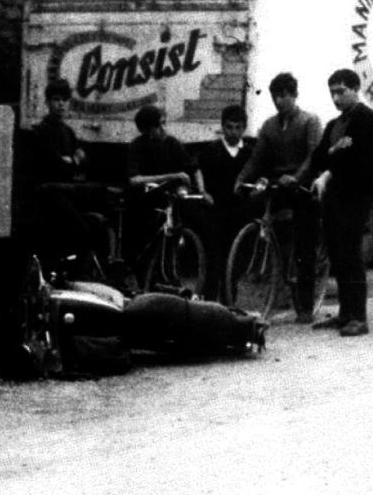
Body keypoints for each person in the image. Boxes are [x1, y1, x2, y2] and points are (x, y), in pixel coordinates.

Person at [301, 69, 373, 337]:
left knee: (352, 254)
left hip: (356, 196)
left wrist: (332, 160)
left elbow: (360, 159)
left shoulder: (369, 120)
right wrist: (336, 150)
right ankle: (345, 312)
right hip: (335, 197)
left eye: (341, 91)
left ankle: (358, 317)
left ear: (355, 89)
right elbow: (319, 157)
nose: (336, 98)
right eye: (332, 92)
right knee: (338, 254)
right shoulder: (335, 125)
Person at [235, 72, 323, 323]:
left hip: (301, 188)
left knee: (305, 244)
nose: (280, 100)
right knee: (251, 208)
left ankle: (305, 307)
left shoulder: (309, 121)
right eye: (276, 96)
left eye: (285, 95)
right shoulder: (269, 126)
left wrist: (297, 177)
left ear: (295, 95)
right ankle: (246, 270)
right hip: (277, 186)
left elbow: (313, 156)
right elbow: (257, 159)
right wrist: (241, 179)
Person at [28, 78, 105, 277]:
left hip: (67, 192)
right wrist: (70, 161)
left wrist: (72, 160)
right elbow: (52, 162)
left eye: (64, 100)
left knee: (99, 223)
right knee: (79, 229)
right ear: (47, 102)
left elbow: (80, 160)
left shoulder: (68, 132)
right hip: (47, 195)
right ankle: (70, 271)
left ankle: (88, 272)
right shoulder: (39, 131)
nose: (61, 104)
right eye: (56, 99)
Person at [123, 104, 205, 267]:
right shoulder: (137, 146)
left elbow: (194, 169)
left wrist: (202, 191)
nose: (163, 129)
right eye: (158, 125)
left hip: (168, 198)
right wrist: (171, 176)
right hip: (144, 199)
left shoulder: (172, 143)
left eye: (164, 123)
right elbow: (134, 179)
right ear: (147, 129)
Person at [198, 104, 253, 302]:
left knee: (234, 261)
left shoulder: (248, 152)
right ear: (222, 127)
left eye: (238, 127)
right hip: (215, 212)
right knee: (214, 260)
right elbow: (199, 172)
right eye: (229, 127)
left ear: (244, 128)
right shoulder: (212, 150)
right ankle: (210, 304)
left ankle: (229, 303)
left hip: (238, 213)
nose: (233, 132)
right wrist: (204, 192)